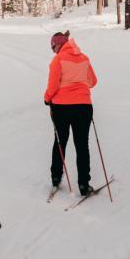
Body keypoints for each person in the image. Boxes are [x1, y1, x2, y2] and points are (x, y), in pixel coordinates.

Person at [44, 30, 98, 196]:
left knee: (60, 141)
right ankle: (83, 183)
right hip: (83, 107)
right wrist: (78, 85)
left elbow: (53, 86)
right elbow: (93, 82)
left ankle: (56, 177)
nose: (53, 50)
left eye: (53, 47)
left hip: (61, 107)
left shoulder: (58, 60)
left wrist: (47, 98)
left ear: (58, 44)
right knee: (82, 144)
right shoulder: (84, 58)